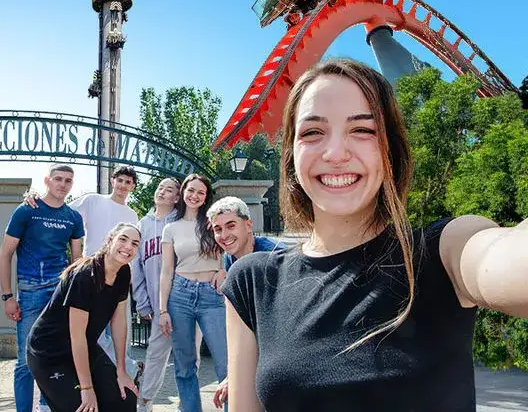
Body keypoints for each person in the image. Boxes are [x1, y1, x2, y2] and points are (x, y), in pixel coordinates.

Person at [221, 58, 528, 411]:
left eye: (363, 130)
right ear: (291, 157)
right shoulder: (254, 281)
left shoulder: (443, 253)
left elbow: (502, 258)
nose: (335, 153)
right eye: (312, 132)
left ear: (390, 152)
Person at [25, 167, 142, 378]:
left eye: (128, 182)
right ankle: (117, 373)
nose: (123, 185)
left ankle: (123, 374)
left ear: (132, 187)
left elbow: (132, 247)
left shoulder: (132, 214)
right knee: (92, 334)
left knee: (119, 333)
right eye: (120, 180)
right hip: (93, 277)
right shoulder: (93, 201)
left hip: (119, 278)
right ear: (113, 181)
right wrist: (35, 198)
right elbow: (61, 211)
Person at [28, 222, 143, 412]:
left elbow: (119, 322)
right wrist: (87, 388)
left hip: (84, 347)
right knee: (84, 407)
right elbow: (77, 335)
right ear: (109, 240)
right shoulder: (85, 276)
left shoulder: (123, 272)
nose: (128, 247)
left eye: (135, 243)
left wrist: (121, 371)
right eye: (123, 239)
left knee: (125, 399)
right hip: (50, 352)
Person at [0, 164, 87, 412]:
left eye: (68, 180)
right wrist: (7, 296)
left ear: (72, 185)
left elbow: (77, 261)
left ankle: (46, 407)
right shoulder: (27, 211)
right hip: (31, 290)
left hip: (60, 292)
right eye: (58, 179)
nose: (63, 184)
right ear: (48, 181)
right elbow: (5, 255)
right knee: (25, 361)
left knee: (56, 357)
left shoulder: (73, 218)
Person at [204, 196, 285, 409]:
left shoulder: (275, 258)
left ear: (248, 225)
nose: (224, 235)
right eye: (217, 229)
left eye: (231, 226)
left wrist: (237, 376)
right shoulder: (231, 259)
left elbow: (276, 325)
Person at [157, 174, 228, 412]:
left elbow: (232, 245)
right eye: (191, 190)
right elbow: (166, 271)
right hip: (180, 296)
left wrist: (223, 269)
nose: (195, 196)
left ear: (206, 197)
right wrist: (163, 309)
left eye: (201, 192)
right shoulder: (171, 228)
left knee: (226, 363)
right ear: (182, 193)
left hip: (212, 295)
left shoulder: (213, 222)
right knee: (184, 365)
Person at [130, 177, 181, 412]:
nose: (162, 192)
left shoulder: (181, 222)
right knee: (155, 356)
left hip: (183, 299)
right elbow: (136, 268)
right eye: (160, 188)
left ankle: (188, 404)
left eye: (169, 189)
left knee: (189, 356)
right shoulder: (142, 225)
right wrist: (142, 302)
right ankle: (145, 403)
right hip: (158, 304)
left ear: (177, 198)